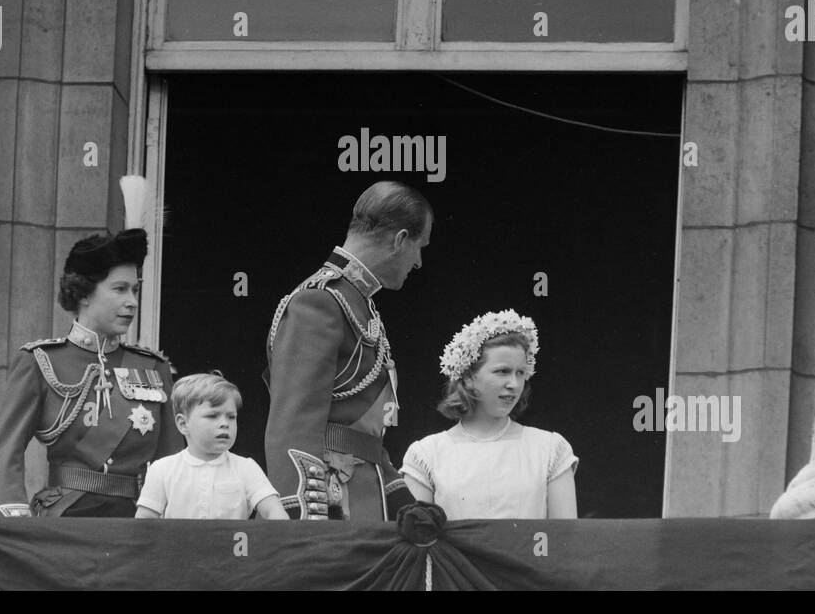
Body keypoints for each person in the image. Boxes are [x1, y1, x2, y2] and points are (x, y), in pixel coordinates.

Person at [263, 181, 432, 520]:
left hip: (365, 501)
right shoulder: (319, 301)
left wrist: (403, 504)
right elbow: (293, 424)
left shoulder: (358, 303)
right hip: (332, 509)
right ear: (399, 240)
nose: (419, 262)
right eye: (420, 247)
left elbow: (366, 442)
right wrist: (305, 519)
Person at [0, 227, 182, 517]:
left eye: (135, 290)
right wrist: (19, 523)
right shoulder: (40, 361)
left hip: (137, 521)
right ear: (84, 293)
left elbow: (172, 462)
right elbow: (6, 453)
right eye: (120, 289)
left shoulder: (153, 367)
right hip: (65, 518)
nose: (133, 301)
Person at [400, 310, 578, 520]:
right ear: (467, 378)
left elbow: (565, 539)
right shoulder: (426, 455)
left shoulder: (550, 449)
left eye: (520, 373)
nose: (513, 384)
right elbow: (418, 539)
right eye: (502, 371)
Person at [136, 372, 287, 520]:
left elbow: (274, 512)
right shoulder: (163, 469)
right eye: (212, 416)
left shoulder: (246, 468)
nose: (224, 423)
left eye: (231, 417)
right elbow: (144, 524)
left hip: (231, 545)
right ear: (183, 424)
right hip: (176, 545)